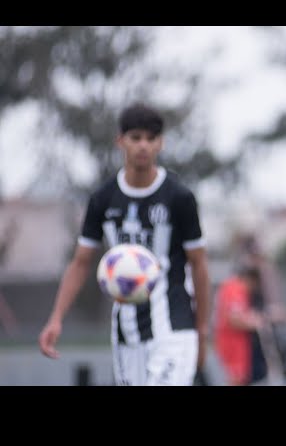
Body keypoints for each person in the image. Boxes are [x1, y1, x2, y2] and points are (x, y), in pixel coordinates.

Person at [38, 103, 211, 386]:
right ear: (121, 141)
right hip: (126, 329)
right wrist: (56, 318)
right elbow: (81, 263)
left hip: (174, 326)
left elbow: (200, 265)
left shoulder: (179, 197)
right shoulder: (103, 199)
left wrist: (202, 329)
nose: (143, 145)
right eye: (136, 137)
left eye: (151, 138)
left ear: (160, 143)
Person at [213, 266, 286, 385]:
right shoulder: (235, 289)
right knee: (236, 379)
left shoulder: (234, 288)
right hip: (232, 343)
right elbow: (234, 320)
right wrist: (260, 322)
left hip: (238, 343)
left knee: (241, 378)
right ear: (251, 279)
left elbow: (243, 314)